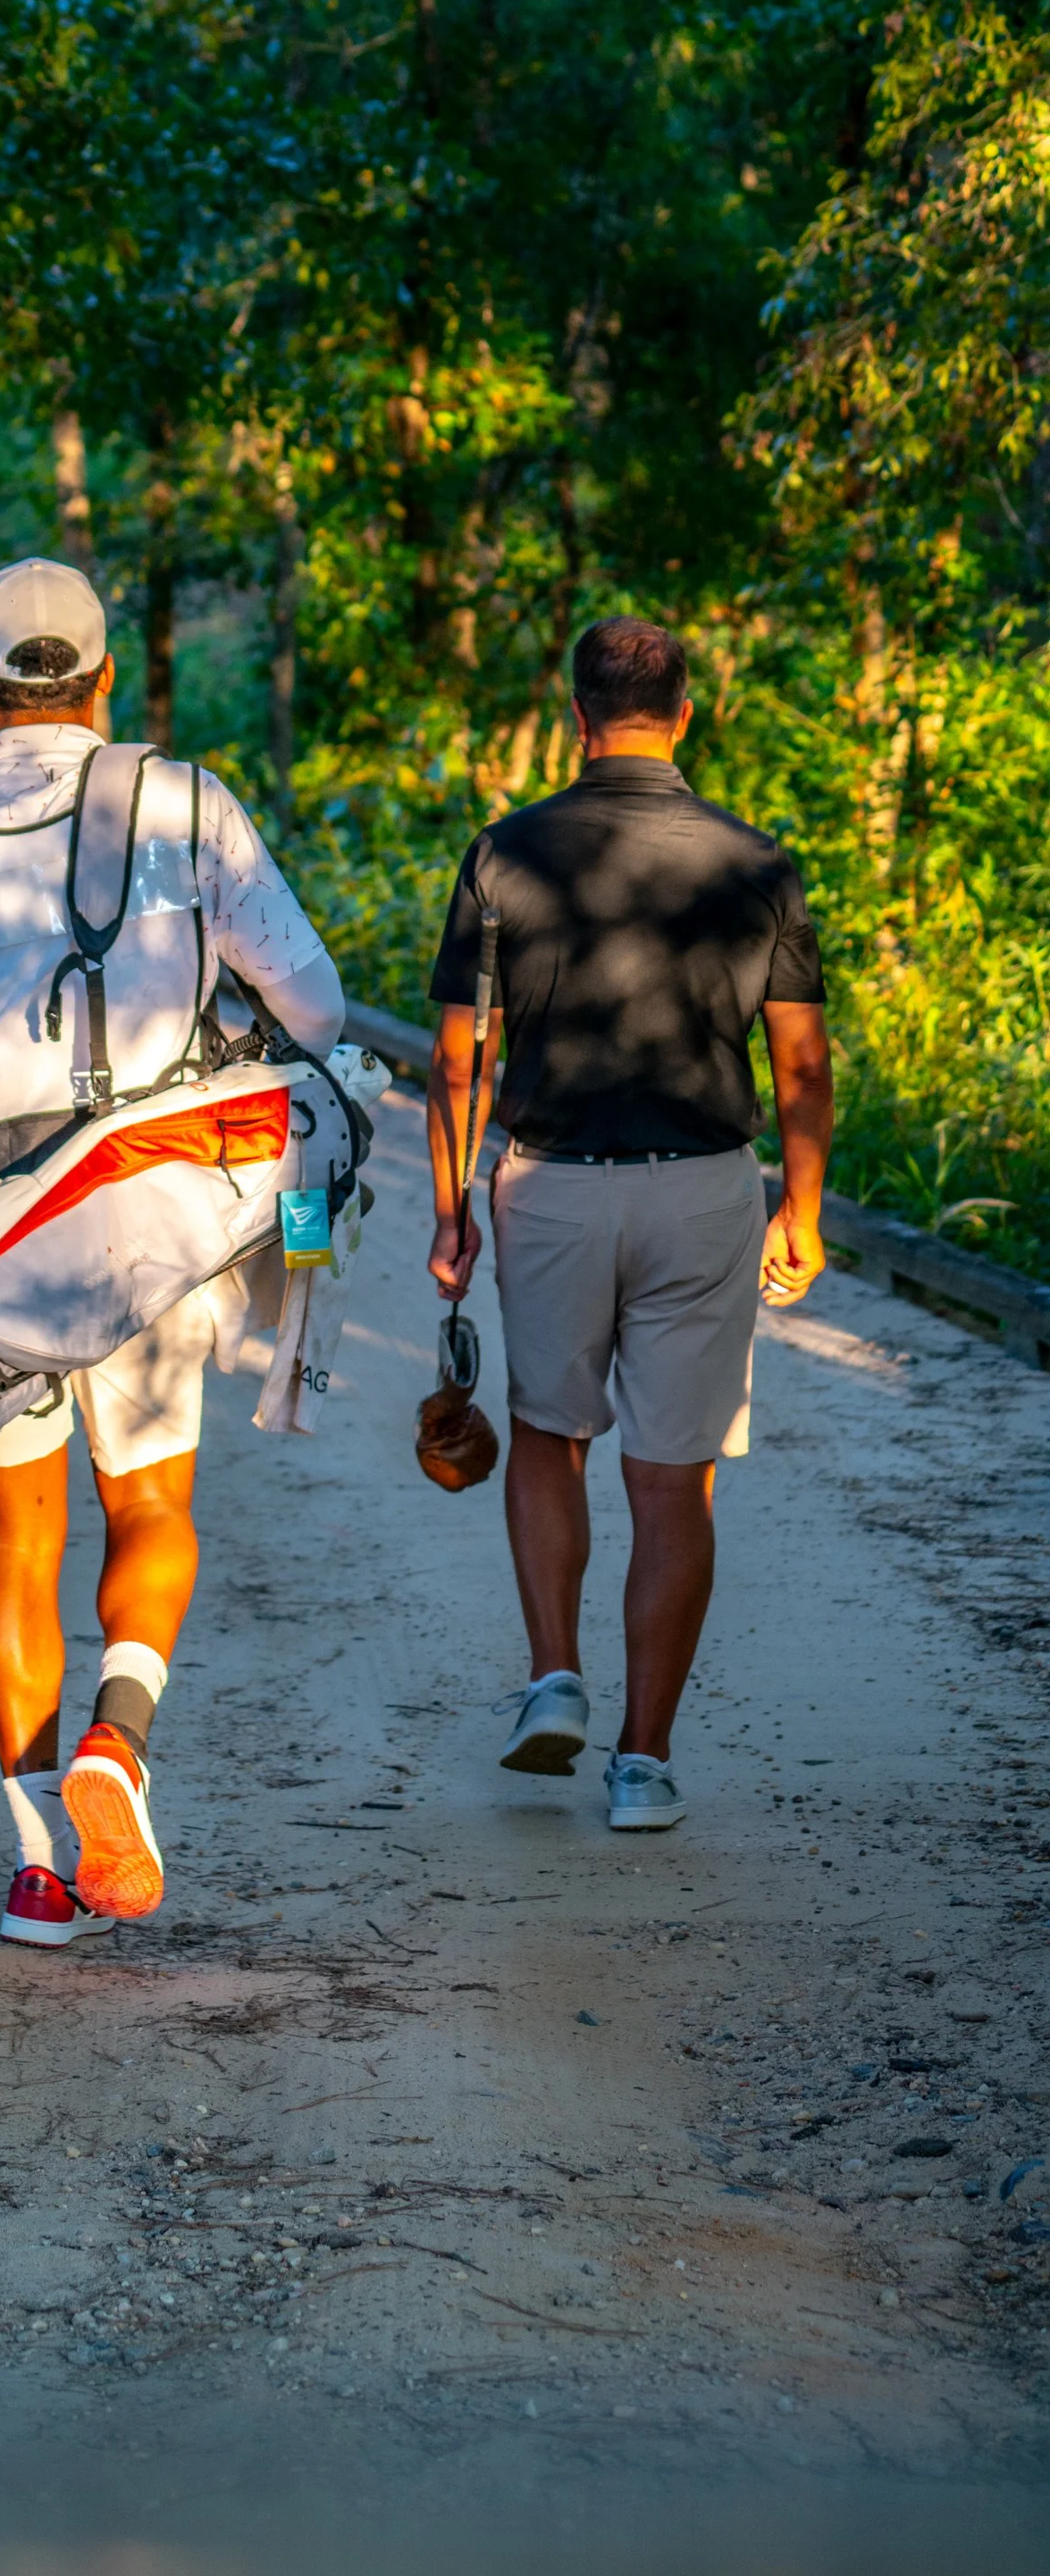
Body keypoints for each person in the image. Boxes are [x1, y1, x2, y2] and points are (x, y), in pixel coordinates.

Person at [0, 558, 347, 1943]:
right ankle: (121, 1744)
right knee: (149, 1508)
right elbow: (316, 1004)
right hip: (148, 1207)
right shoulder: (185, 807)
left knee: (15, 1541)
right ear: (105, 680)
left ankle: (39, 1861)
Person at [425, 615, 833, 1835]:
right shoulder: (759, 863)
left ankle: (555, 1676)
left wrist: (454, 1209)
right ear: (688, 713)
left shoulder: (505, 854)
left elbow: (458, 1063)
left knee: (550, 1436)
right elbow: (801, 1064)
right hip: (703, 1188)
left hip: (549, 1183)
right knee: (675, 1481)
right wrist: (800, 1208)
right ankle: (643, 1764)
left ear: (576, 717)